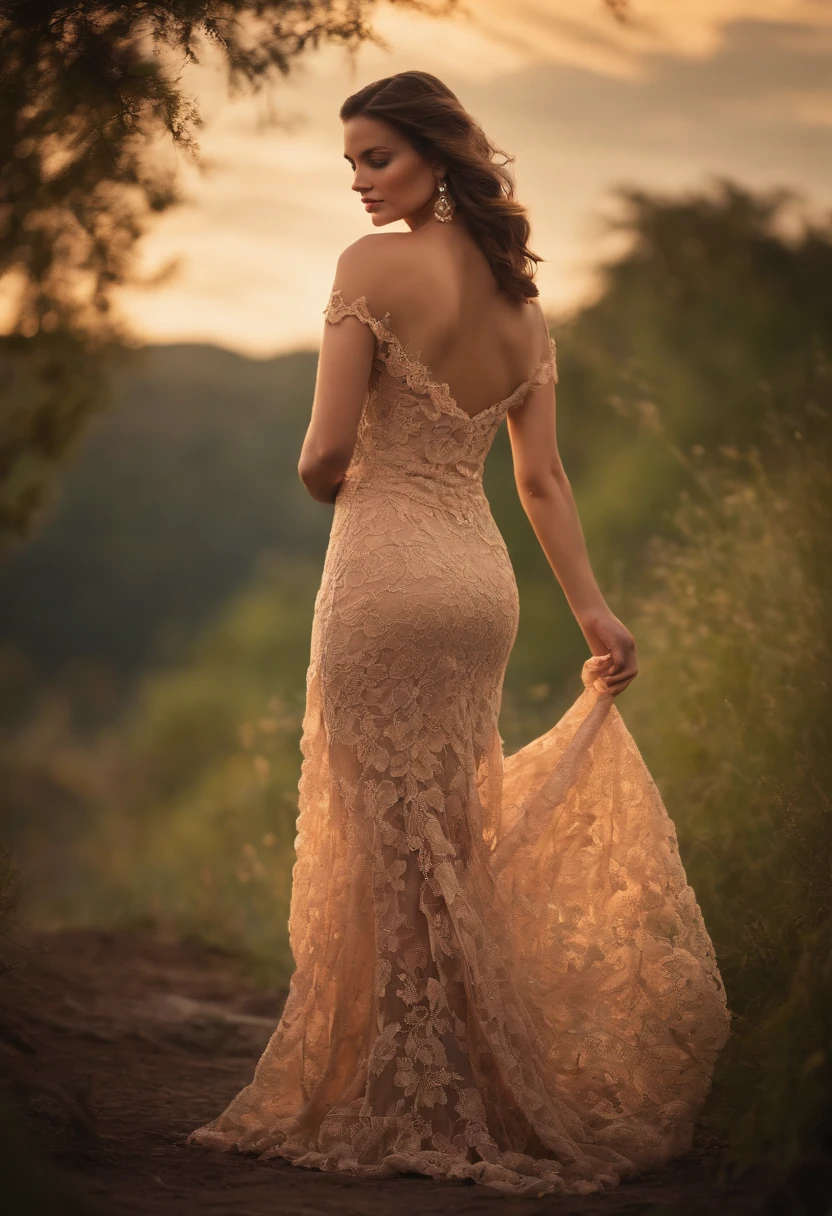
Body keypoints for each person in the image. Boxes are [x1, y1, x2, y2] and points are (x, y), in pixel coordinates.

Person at [186, 70, 730, 1197]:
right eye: (350, 163)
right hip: (480, 589)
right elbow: (540, 479)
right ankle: (468, 1083)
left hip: (385, 578)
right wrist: (595, 609)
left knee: (389, 846)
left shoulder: (366, 271)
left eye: (375, 158)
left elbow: (324, 455)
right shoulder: (523, 307)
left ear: (438, 153)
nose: (359, 182)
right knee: (449, 836)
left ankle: (407, 1095)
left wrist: (324, 476)